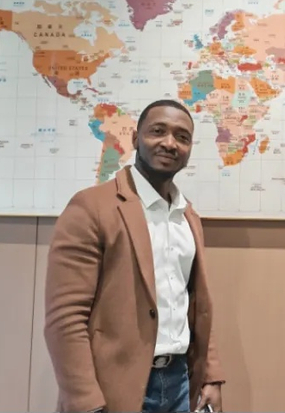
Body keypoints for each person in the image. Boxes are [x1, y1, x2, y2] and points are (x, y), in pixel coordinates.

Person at [44, 99, 225, 413]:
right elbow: (65, 318)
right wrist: (86, 401)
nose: (170, 143)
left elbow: (194, 307)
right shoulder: (91, 208)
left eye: (182, 137)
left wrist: (210, 376)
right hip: (114, 388)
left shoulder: (187, 216)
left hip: (180, 384)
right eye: (158, 131)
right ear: (135, 139)